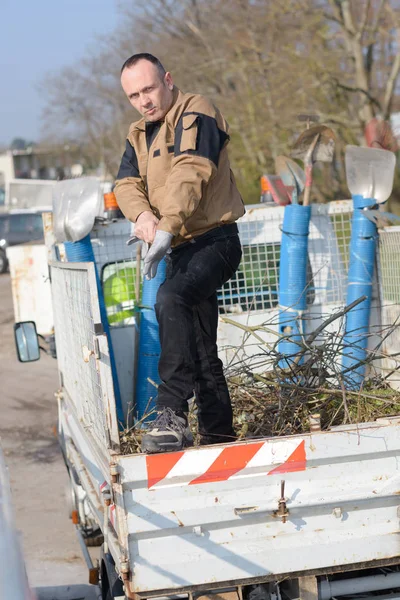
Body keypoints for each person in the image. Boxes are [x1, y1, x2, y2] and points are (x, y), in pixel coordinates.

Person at [114, 53, 245, 453]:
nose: (144, 101)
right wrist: (142, 217)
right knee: (203, 351)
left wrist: (166, 225)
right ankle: (220, 436)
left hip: (215, 241)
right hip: (179, 249)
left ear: (168, 80)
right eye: (134, 95)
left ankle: (170, 413)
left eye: (149, 89)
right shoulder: (138, 133)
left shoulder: (196, 111)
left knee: (171, 297)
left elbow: (192, 170)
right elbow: (124, 184)